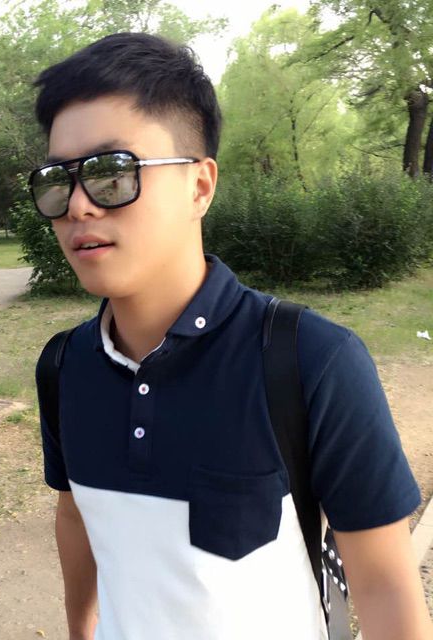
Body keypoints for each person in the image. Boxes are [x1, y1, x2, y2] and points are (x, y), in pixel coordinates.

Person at [29, 32, 432, 640]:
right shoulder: (65, 367)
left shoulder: (309, 359)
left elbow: (385, 591)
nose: (78, 206)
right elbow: (77, 516)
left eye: (112, 173)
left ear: (199, 186)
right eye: (57, 181)